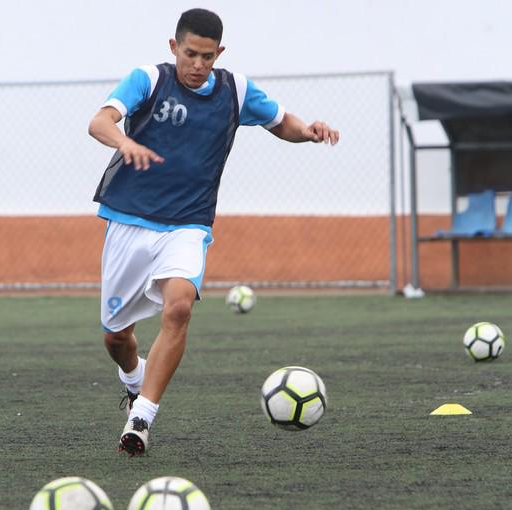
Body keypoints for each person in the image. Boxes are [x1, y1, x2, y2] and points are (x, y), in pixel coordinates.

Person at [88, 8, 339, 456]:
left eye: (207, 56)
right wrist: (125, 141)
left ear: (219, 53)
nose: (197, 64)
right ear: (173, 47)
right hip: (129, 220)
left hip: (188, 224)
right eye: (190, 54)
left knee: (179, 308)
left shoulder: (235, 90)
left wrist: (309, 131)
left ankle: (141, 417)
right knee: (115, 336)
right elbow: (100, 121)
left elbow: (281, 121)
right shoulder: (148, 79)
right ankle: (133, 378)